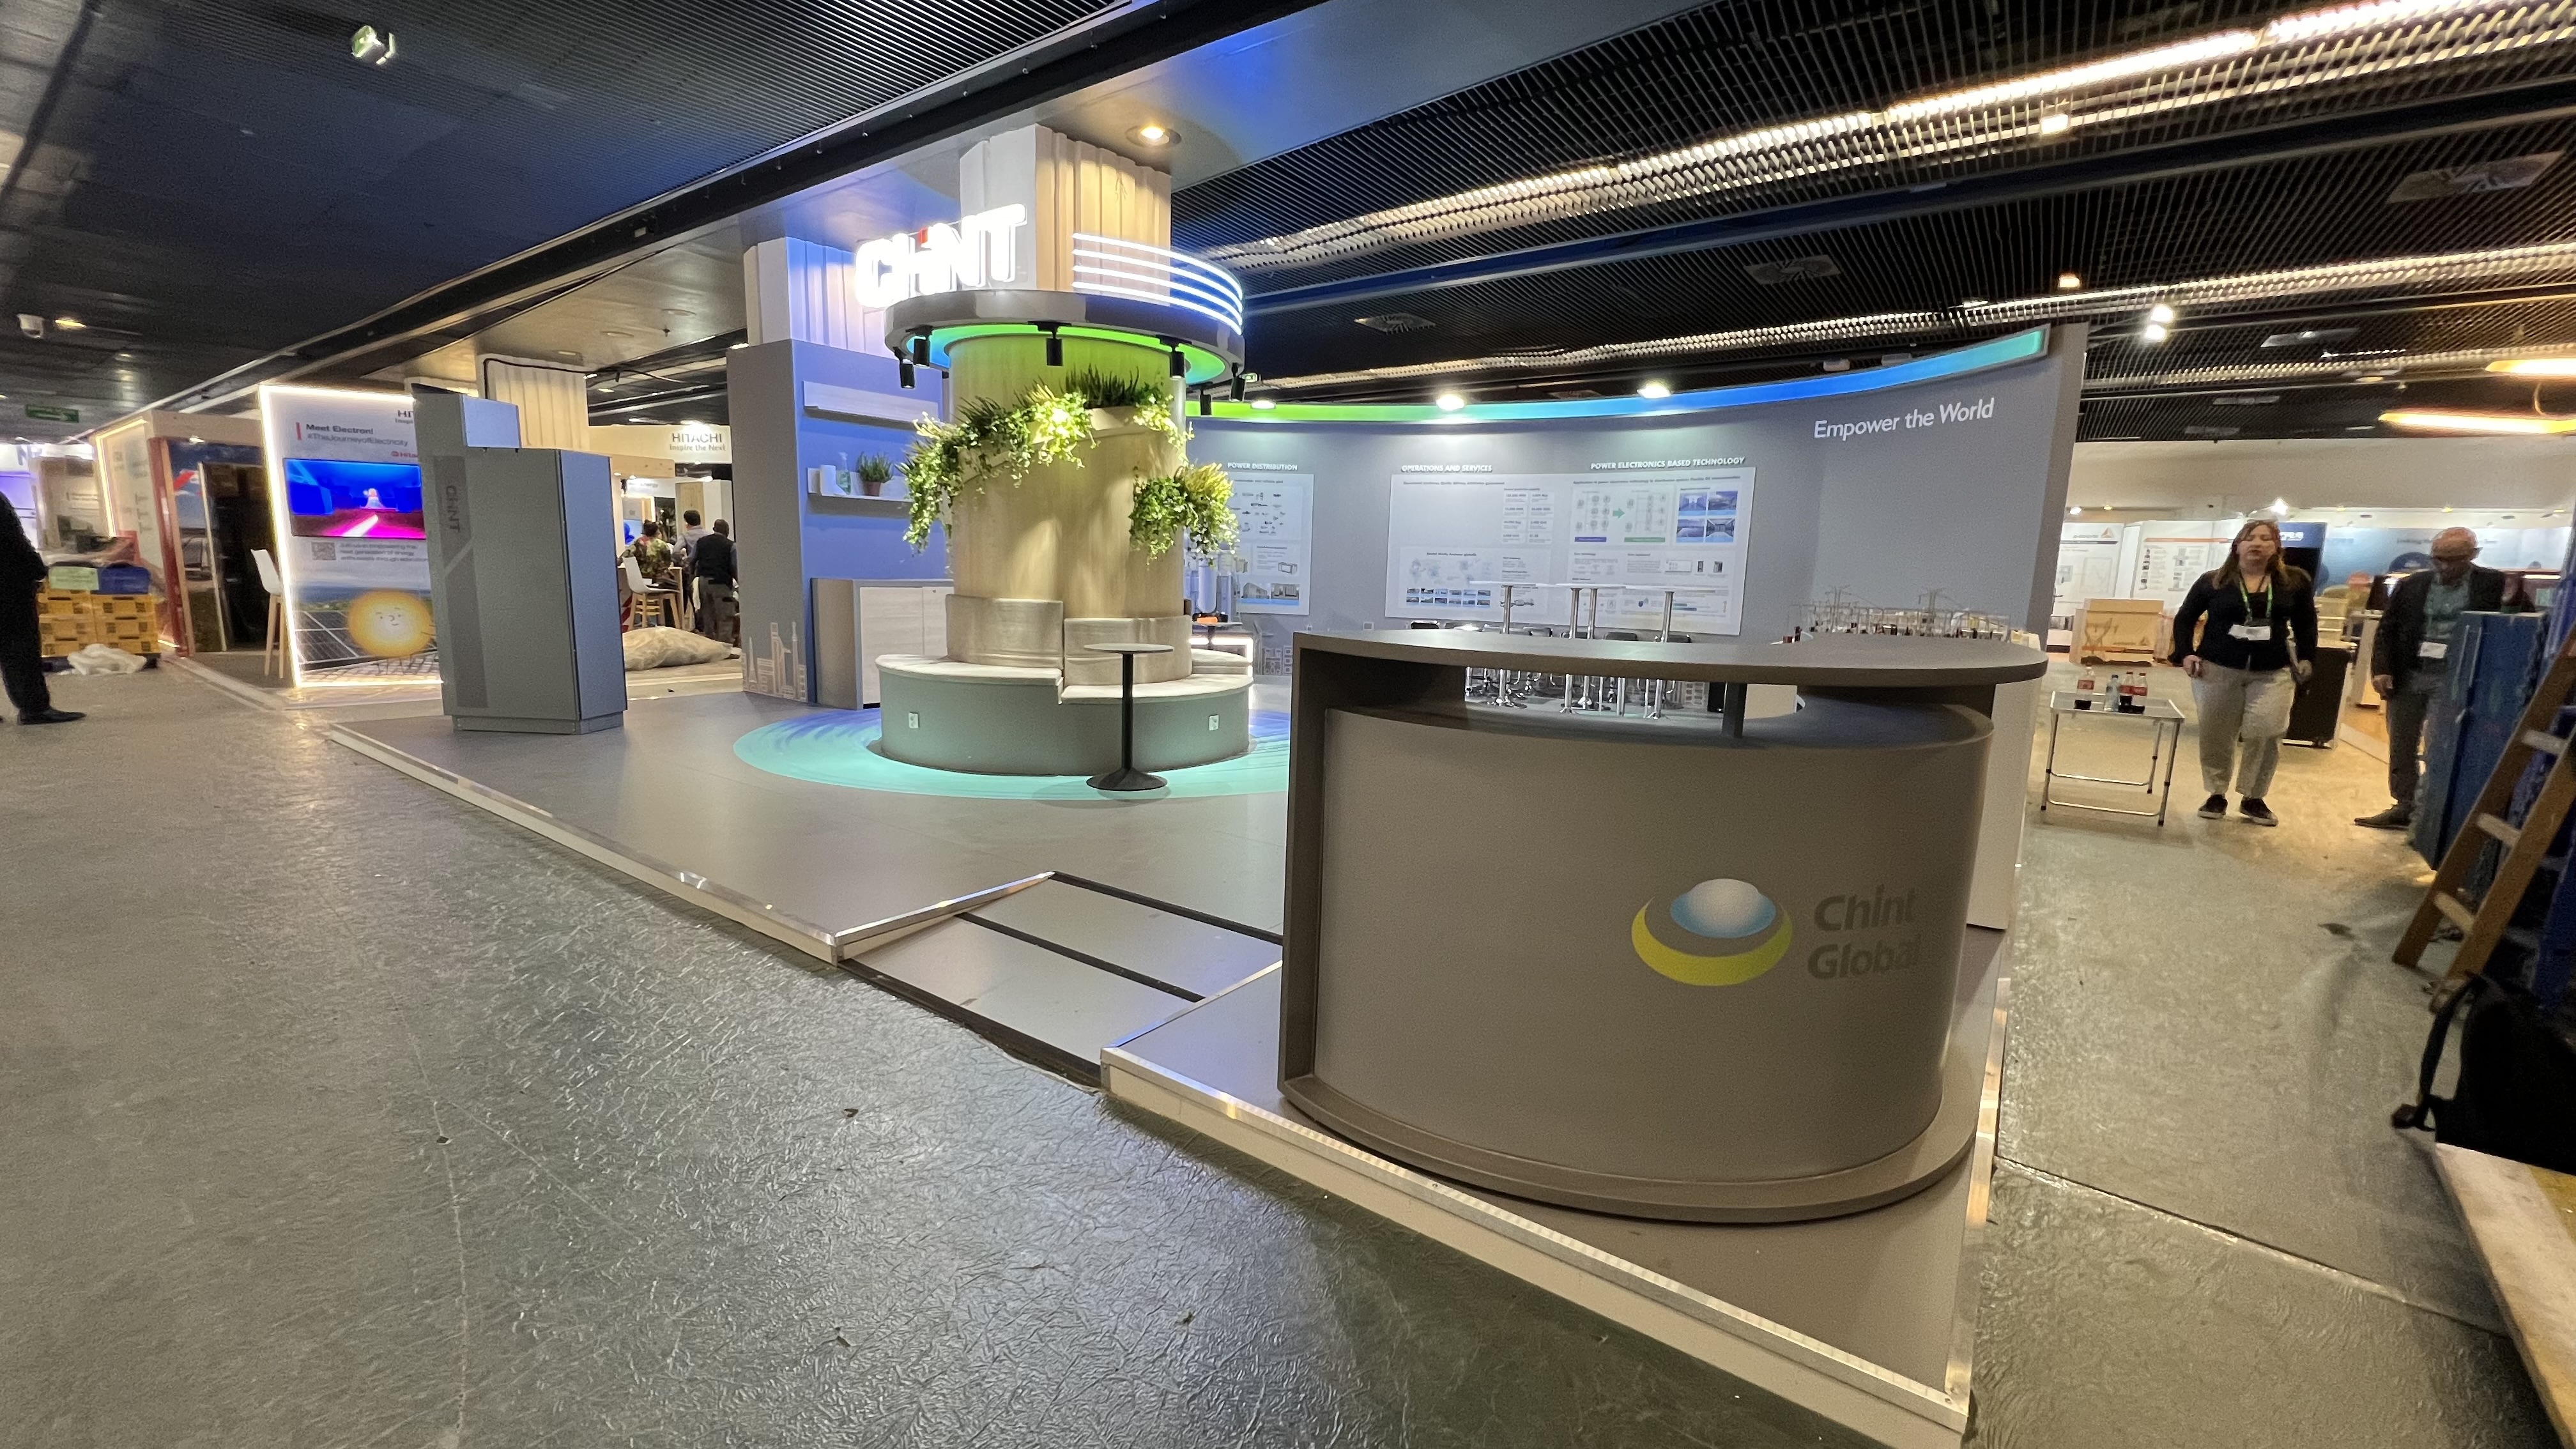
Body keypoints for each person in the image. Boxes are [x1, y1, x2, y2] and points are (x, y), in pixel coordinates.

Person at [2356, 528, 2519, 831]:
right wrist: (2381, 669)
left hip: (2456, 678)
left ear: (2473, 555)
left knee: (2440, 745)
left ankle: (2433, 811)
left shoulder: (2493, 584)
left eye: (2453, 560)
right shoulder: (2412, 584)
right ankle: (2405, 805)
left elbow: (2512, 627)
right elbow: (2388, 629)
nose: (2443, 566)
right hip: (2410, 673)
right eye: (2437, 559)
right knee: (2401, 742)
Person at [2170, 518, 2317, 827]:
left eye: (2266, 538)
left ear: (2277, 547)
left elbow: (2306, 622)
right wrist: (2186, 653)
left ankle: (2253, 797)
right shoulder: (2214, 581)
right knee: (2216, 733)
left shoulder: (2294, 581)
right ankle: (2216, 793)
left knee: (2267, 731)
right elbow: (2185, 618)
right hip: (2217, 668)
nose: (2257, 544)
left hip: (2272, 670)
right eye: (2250, 538)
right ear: (2237, 546)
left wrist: (2306, 656)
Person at [0, 497, 81, 725]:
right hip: (8, 585)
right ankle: (34, 708)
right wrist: (36, 568)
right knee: (19, 647)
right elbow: (12, 538)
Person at [691, 518, 737, 644]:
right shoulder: (731, 545)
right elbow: (734, 567)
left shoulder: (701, 542)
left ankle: (710, 643)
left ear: (714, 529)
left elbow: (692, 560)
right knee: (725, 615)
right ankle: (724, 645)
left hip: (703, 582)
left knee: (707, 614)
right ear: (727, 531)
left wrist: (693, 577)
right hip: (721, 583)